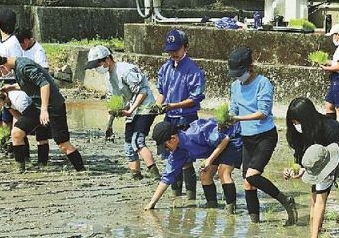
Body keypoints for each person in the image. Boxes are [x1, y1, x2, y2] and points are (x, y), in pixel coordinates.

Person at [228, 46, 298, 225]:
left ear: (250, 67)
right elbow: (233, 109)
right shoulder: (235, 86)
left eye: (240, 73)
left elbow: (263, 112)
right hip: (247, 137)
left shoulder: (263, 83)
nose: (238, 77)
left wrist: (237, 118)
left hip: (265, 136)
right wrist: (227, 118)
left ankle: (285, 200)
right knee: (247, 183)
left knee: (252, 175)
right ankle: (255, 225)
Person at [0, 54, 85, 172]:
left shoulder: (24, 66)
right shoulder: (16, 68)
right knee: (16, 133)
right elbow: (28, 84)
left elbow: (44, 84)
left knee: (63, 144)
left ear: (1, 67)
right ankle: (20, 170)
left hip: (53, 106)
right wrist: (11, 87)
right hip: (37, 105)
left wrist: (44, 109)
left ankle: (81, 171)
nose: (2, 76)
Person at [85, 46, 159, 180]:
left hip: (145, 107)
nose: (97, 67)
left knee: (137, 141)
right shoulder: (108, 78)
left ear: (107, 59)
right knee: (128, 145)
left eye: (98, 63)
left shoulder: (125, 70)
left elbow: (143, 91)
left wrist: (130, 110)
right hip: (131, 110)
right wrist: (109, 126)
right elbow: (114, 103)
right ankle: (136, 177)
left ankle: (156, 176)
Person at [284, 97, 339, 225]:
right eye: (293, 123)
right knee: (316, 200)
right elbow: (300, 158)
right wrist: (294, 169)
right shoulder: (297, 133)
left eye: (298, 122)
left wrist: (305, 171)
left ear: (307, 119)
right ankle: (315, 232)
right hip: (323, 163)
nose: (296, 126)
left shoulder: (328, 129)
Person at [145, 119, 242, 212]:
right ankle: (212, 207)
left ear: (173, 138)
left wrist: (209, 159)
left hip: (232, 138)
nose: (166, 150)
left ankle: (231, 211)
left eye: (165, 147)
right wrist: (152, 203)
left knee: (223, 172)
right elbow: (167, 177)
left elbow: (225, 139)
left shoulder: (195, 133)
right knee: (205, 175)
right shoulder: (178, 152)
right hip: (216, 146)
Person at [156, 29, 206, 199]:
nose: (173, 54)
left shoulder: (193, 70)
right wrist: (159, 105)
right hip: (170, 118)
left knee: (185, 159)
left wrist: (173, 105)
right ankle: (176, 196)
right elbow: (162, 91)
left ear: (186, 48)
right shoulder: (165, 68)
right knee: (171, 156)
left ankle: (191, 197)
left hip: (186, 118)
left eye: (176, 50)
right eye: (170, 51)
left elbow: (195, 98)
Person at [0, 84, 51, 166]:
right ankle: (25, 161)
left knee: (40, 135)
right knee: (18, 132)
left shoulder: (18, 99)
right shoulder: (7, 101)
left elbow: (29, 117)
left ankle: (42, 163)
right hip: (30, 111)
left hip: (39, 109)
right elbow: (18, 117)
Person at [0, 9, 22, 136]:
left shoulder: (13, 43)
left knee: (7, 117)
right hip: (0, 82)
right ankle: (3, 142)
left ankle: (12, 145)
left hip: (9, 84)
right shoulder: (3, 43)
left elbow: (16, 65)